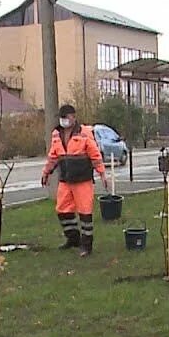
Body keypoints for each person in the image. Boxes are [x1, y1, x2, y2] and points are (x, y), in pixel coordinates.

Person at [41, 104, 109, 256]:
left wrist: (102, 174)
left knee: (85, 212)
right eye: (63, 117)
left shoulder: (84, 133)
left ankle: (86, 245)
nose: (65, 120)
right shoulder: (56, 135)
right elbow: (53, 156)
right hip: (66, 178)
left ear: (74, 117)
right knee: (63, 209)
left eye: (68, 117)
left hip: (82, 179)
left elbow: (95, 155)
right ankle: (73, 239)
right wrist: (46, 172)